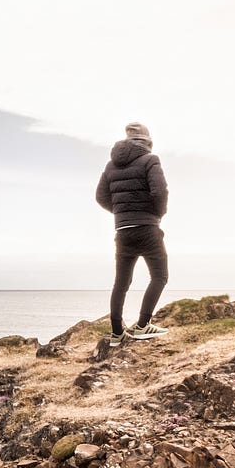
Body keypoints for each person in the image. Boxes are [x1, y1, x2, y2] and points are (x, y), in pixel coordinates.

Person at [96, 122, 170, 347]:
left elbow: (101, 197)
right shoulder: (150, 160)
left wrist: (121, 213)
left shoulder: (111, 165)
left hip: (123, 231)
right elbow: (160, 191)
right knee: (160, 277)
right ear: (147, 140)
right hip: (147, 228)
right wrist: (157, 214)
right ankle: (143, 325)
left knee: (121, 283)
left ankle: (117, 333)